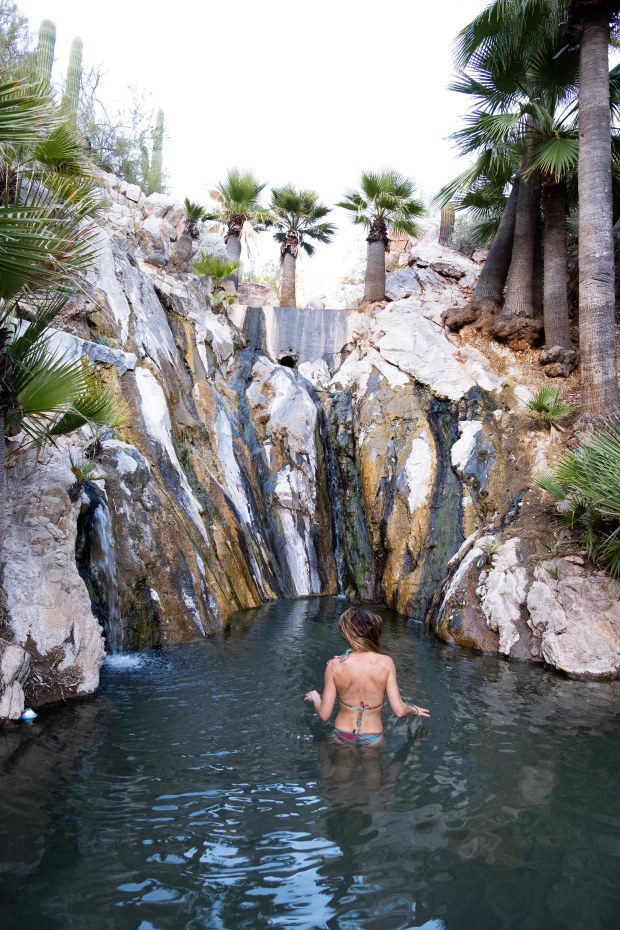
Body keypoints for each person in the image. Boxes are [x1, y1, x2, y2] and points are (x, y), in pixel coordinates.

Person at [304, 606, 430, 746]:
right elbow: (399, 711)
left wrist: (316, 698)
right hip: (373, 736)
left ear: (347, 634)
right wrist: (414, 709)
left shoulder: (334, 665)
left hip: (342, 734)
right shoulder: (386, 663)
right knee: (377, 768)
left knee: (334, 768)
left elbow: (324, 715)